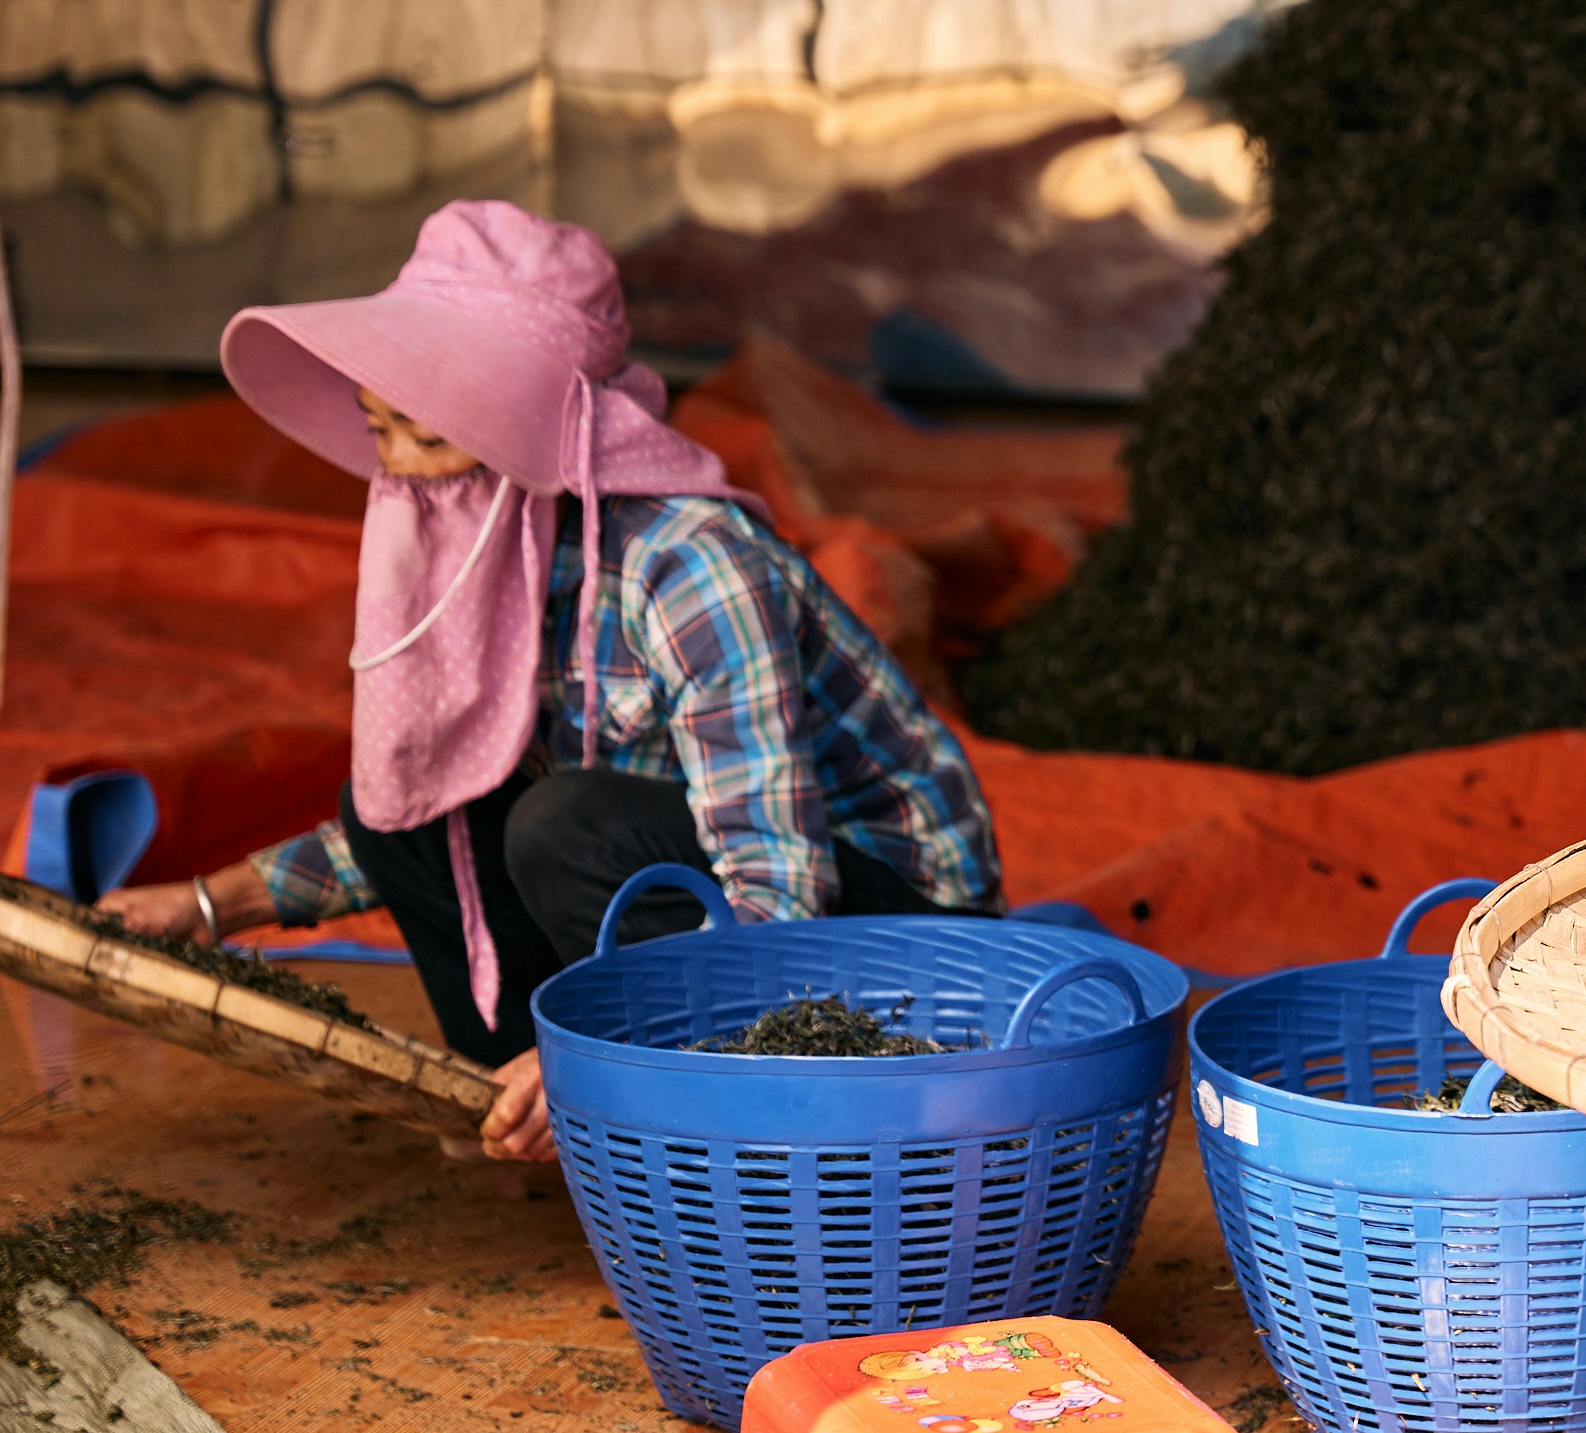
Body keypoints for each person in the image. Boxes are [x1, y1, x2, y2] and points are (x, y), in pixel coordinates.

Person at [98, 201, 1001, 1163]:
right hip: (704, 890)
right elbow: (422, 811)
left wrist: (592, 1055)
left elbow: (781, 887)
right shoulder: (485, 566)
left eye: (431, 440)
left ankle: (674, 1110)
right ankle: (530, 1095)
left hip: (901, 945)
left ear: (533, 434)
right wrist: (208, 905)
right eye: (380, 431)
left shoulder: (690, 567)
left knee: (565, 824)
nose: (400, 474)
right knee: (400, 803)